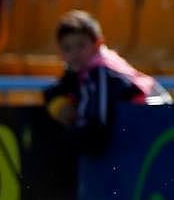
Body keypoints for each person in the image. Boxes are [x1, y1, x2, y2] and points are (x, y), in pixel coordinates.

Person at [44, 10, 171, 153]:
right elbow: (53, 91)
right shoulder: (80, 70)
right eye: (67, 48)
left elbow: (98, 129)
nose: (74, 53)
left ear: (98, 44)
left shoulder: (102, 72)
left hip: (156, 131)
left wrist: (63, 143)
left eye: (81, 45)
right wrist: (59, 106)